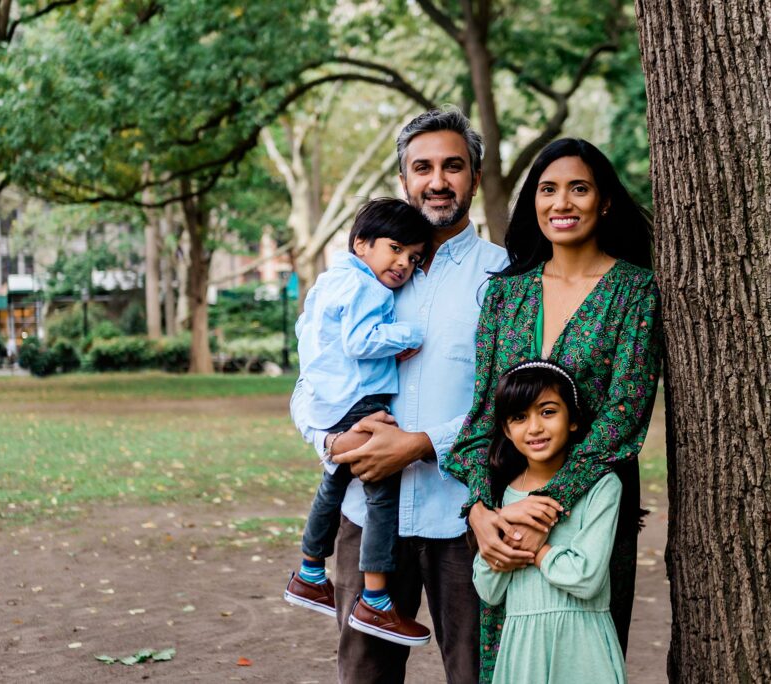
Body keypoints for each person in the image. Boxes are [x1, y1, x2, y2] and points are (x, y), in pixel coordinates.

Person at [290, 108, 507, 683]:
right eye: (423, 167)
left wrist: (418, 444)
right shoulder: (351, 279)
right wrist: (330, 441)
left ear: (475, 178)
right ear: (404, 180)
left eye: (453, 166)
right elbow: (310, 378)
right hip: (364, 513)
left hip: (465, 515)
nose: (438, 181)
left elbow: (509, 401)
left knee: (477, 674)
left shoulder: (505, 276)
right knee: (364, 676)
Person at [445, 138, 664, 680]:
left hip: (591, 512)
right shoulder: (504, 295)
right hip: (505, 518)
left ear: (605, 201)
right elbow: (480, 423)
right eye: (548, 190)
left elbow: (623, 419)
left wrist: (545, 509)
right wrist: (482, 514)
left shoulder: (634, 291)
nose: (561, 203)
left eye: (579, 189)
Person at [284, 198, 433, 647]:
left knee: (334, 477)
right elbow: (359, 340)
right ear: (361, 243)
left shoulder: (330, 282)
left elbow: (305, 333)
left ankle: (310, 571)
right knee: (382, 493)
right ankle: (376, 601)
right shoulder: (369, 288)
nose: (403, 264)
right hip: (357, 399)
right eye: (395, 249)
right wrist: (408, 335)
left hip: (329, 400)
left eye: (413, 258)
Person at [472, 361, 626, 684]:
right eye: (519, 417)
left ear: (573, 419)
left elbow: (586, 577)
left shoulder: (601, 486)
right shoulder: (502, 492)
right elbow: (489, 589)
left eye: (547, 412)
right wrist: (504, 519)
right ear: (506, 429)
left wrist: (538, 551)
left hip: (582, 645)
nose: (534, 428)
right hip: (522, 647)